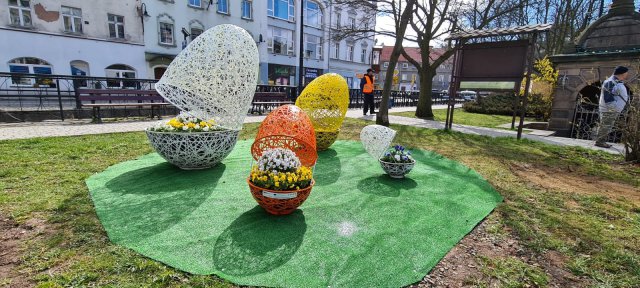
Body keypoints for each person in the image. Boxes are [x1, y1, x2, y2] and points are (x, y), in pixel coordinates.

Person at [595, 66, 629, 148]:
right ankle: (600, 142)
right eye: (626, 72)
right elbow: (608, 98)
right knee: (606, 125)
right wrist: (614, 108)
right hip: (609, 110)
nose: (627, 74)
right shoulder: (610, 82)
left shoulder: (616, 81)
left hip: (612, 109)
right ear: (623, 73)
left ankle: (601, 141)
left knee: (608, 126)